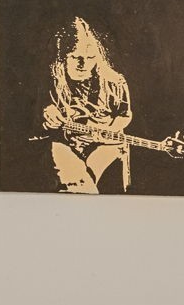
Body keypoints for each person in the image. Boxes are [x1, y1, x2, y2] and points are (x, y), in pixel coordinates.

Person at [42, 17, 134, 193]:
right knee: (77, 182)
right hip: (66, 143)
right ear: (63, 57)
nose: (83, 64)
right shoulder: (54, 78)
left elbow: (125, 115)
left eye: (90, 57)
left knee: (82, 187)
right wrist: (49, 113)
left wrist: (109, 131)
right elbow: (45, 110)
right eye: (75, 57)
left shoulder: (115, 81)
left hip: (105, 144)